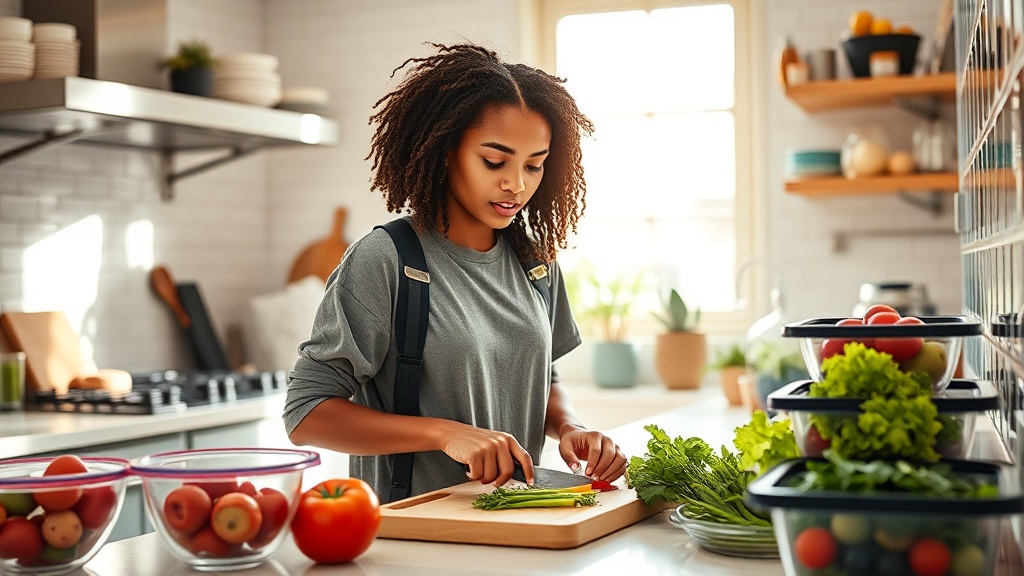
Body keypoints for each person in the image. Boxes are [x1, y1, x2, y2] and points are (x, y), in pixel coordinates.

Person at [284, 42, 627, 503]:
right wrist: (446, 434)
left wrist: (571, 427)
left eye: (534, 165)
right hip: (415, 538)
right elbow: (305, 414)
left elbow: (538, 377)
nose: (516, 184)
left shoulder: (536, 262)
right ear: (447, 151)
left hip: (519, 531)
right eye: (494, 161)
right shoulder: (385, 260)